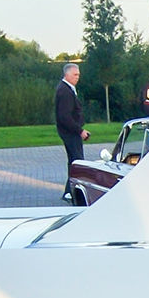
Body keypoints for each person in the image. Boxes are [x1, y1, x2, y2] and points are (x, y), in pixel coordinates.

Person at [54, 63, 88, 201]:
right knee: (77, 161)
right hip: (70, 132)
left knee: (75, 161)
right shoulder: (65, 91)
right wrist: (79, 130)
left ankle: (70, 190)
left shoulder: (68, 89)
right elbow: (65, 116)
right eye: (75, 75)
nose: (77, 77)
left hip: (71, 131)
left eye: (78, 75)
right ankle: (70, 191)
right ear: (66, 75)